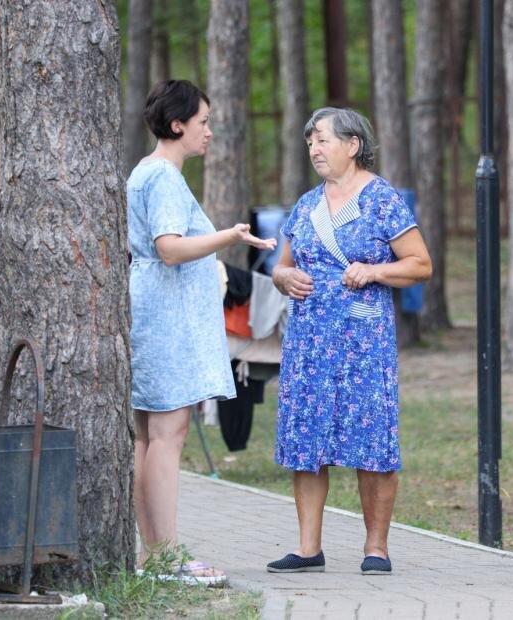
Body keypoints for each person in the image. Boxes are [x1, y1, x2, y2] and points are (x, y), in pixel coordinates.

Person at [266, 107, 432, 576]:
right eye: (310, 143)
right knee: (307, 440)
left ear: (353, 145)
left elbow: (421, 264)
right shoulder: (306, 204)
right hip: (308, 342)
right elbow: (282, 263)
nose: (314, 150)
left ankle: (375, 548)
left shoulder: (382, 200)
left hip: (363, 342)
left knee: (371, 441)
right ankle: (307, 548)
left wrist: (376, 270)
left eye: (322, 140)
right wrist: (283, 278)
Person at [127, 80, 276, 584]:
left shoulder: (145, 172)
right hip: (165, 317)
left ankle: (151, 555)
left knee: (149, 436)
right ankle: (166, 557)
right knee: (168, 434)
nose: (210, 131)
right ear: (178, 125)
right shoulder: (164, 176)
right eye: (204, 122)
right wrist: (227, 236)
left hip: (152, 311)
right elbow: (168, 247)